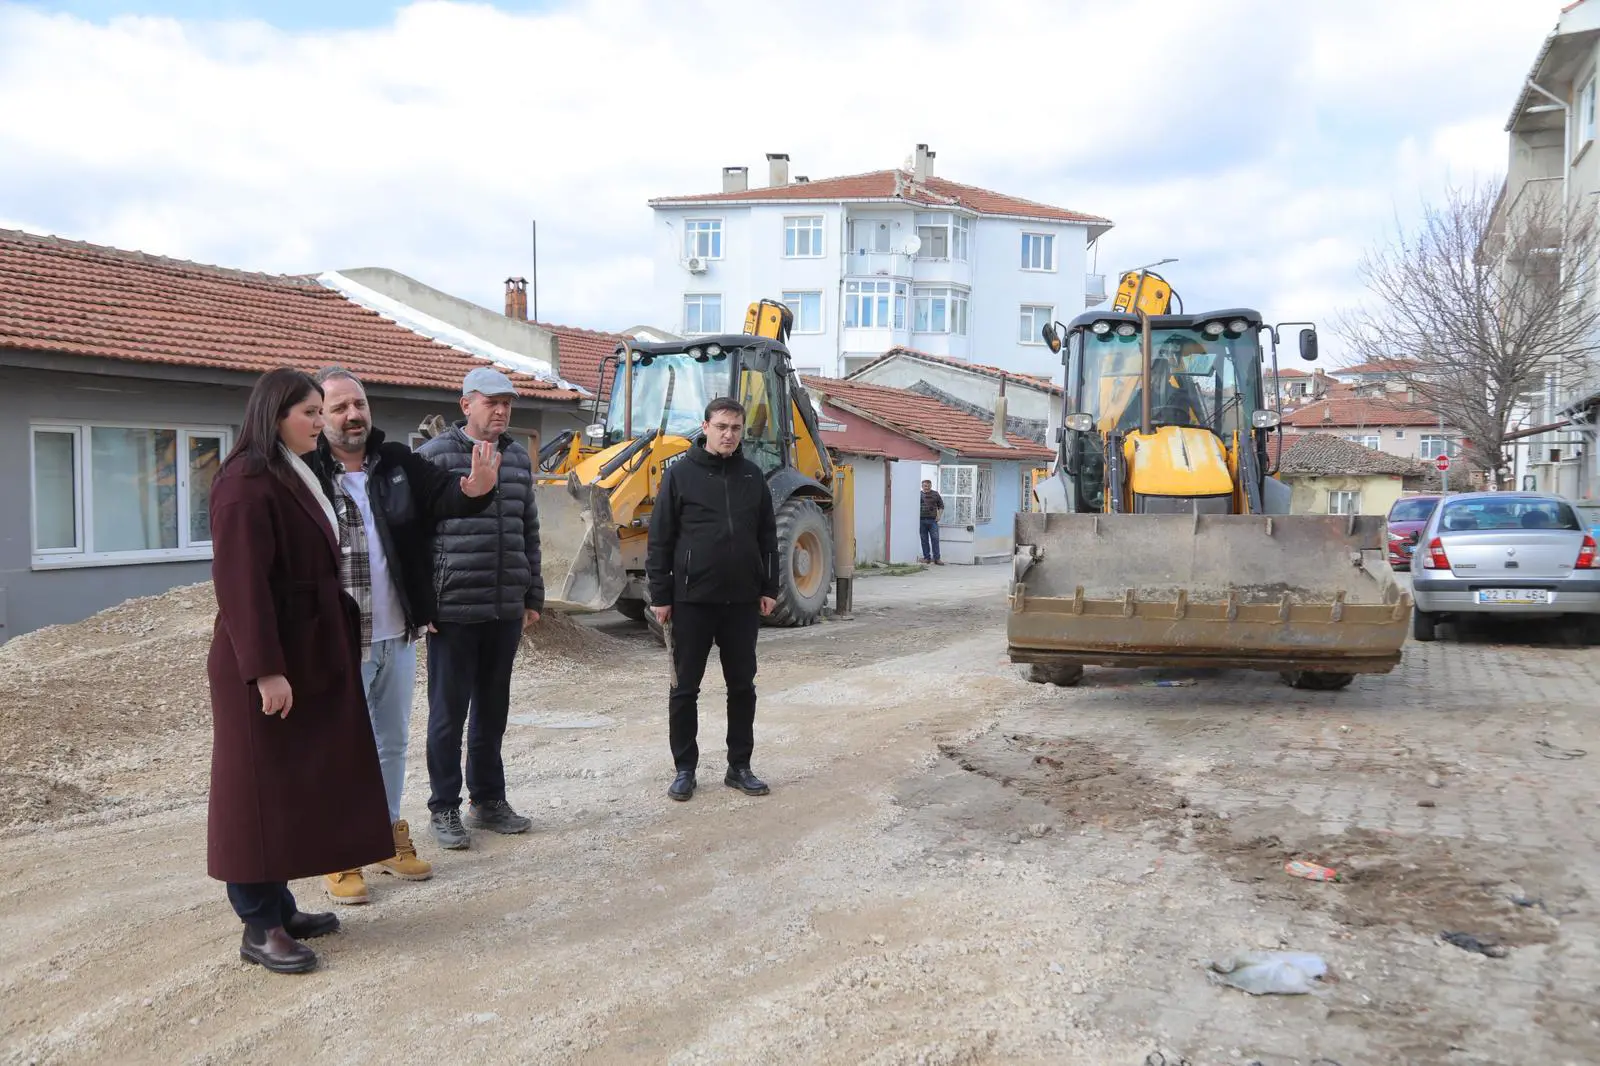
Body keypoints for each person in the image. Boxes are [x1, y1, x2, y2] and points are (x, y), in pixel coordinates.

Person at [205, 367, 393, 975]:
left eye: (321, 412)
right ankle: (258, 926)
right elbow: (242, 588)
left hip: (307, 649)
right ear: (275, 414)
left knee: (287, 788)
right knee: (256, 792)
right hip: (266, 658)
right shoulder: (245, 482)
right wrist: (265, 671)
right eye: (309, 413)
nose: (321, 423)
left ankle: (279, 906)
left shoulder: (292, 470)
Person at [308, 367, 501, 904]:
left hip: (395, 632)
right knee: (341, 749)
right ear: (319, 416)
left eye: (360, 404)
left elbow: (446, 497)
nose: (353, 415)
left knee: (391, 743)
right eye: (340, 406)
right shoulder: (306, 473)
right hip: (338, 641)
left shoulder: (394, 464)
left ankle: (384, 834)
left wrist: (475, 490)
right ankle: (338, 850)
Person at [418, 366, 544, 849]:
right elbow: (415, 537)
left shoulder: (516, 460)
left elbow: (527, 529)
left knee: (493, 710)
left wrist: (531, 593)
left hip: (503, 607)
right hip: (452, 609)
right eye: (492, 402)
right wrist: (421, 602)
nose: (502, 410)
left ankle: (488, 800)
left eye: (507, 403)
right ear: (465, 404)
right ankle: (443, 806)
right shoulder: (432, 458)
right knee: (448, 714)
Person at [645, 397, 778, 802]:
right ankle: (685, 769)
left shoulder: (753, 477)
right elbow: (660, 539)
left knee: (742, 687)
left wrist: (769, 587)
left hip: (741, 602)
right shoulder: (680, 476)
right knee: (685, 689)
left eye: (736, 428)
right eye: (721, 426)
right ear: (705, 426)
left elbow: (768, 538)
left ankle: (740, 767)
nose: (728, 434)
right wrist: (662, 595)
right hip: (691, 601)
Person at [919, 479, 945, 565]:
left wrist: (939, 516)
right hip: (921, 520)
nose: (926, 487)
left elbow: (941, 506)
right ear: (922, 486)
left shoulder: (935, 494)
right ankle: (927, 558)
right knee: (924, 540)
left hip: (932, 520)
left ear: (931, 486)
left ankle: (937, 559)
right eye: (925, 486)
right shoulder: (919, 494)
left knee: (935, 539)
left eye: (928, 486)